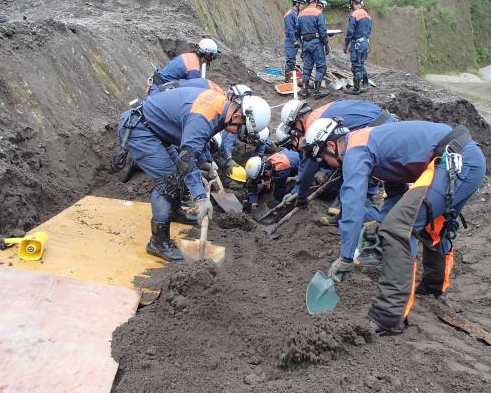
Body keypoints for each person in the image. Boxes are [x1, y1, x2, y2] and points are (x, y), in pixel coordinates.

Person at [303, 118, 486, 335]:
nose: (327, 164)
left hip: (455, 161)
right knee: (430, 224)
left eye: (323, 158)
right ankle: (433, 288)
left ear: (331, 146)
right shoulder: (371, 142)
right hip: (463, 158)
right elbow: (396, 191)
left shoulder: (355, 151)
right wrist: (379, 224)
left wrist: (346, 255)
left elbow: (352, 203)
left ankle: (388, 317)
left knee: (398, 228)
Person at [117, 85, 271, 262]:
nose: (238, 134)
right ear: (237, 116)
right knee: (168, 181)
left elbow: (199, 139)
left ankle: (173, 212)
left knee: (180, 175)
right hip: (141, 130)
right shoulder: (205, 116)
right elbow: (187, 159)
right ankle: (158, 242)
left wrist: (205, 160)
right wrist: (200, 197)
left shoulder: (221, 107)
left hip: (159, 130)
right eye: (241, 130)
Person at [278, 98, 396, 222]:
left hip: (377, 139)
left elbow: (309, 165)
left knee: (353, 198)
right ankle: (356, 212)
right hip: (387, 127)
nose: (297, 132)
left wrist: (300, 195)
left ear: (298, 121)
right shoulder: (323, 111)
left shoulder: (314, 126)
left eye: (294, 128)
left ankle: (382, 224)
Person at [148, 38, 219, 95]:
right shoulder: (193, 69)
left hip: (157, 86)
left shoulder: (189, 56)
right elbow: (193, 92)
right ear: (208, 55)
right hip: (158, 92)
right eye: (213, 57)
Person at [296, 0, 330, 99]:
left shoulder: (301, 14)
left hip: (306, 43)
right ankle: (317, 91)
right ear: (316, 1)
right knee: (321, 66)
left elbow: (297, 31)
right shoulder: (318, 12)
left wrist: (301, 43)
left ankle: (305, 91)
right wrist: (326, 44)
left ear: (308, 1)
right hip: (316, 43)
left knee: (307, 67)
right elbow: (323, 31)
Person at [343, 0, 372, 95]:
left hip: (357, 44)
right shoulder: (366, 14)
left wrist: (346, 45)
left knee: (356, 66)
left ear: (352, 2)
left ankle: (356, 89)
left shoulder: (354, 15)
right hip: (364, 42)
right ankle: (365, 83)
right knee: (361, 63)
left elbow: (350, 32)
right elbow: (369, 30)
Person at [283, 0, 306, 82]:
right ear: (297, 3)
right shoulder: (289, 15)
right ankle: (287, 80)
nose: (303, 6)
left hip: (299, 38)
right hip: (291, 40)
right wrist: (294, 41)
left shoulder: (299, 14)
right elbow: (290, 30)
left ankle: (301, 78)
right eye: (302, 4)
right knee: (291, 60)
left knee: (305, 57)